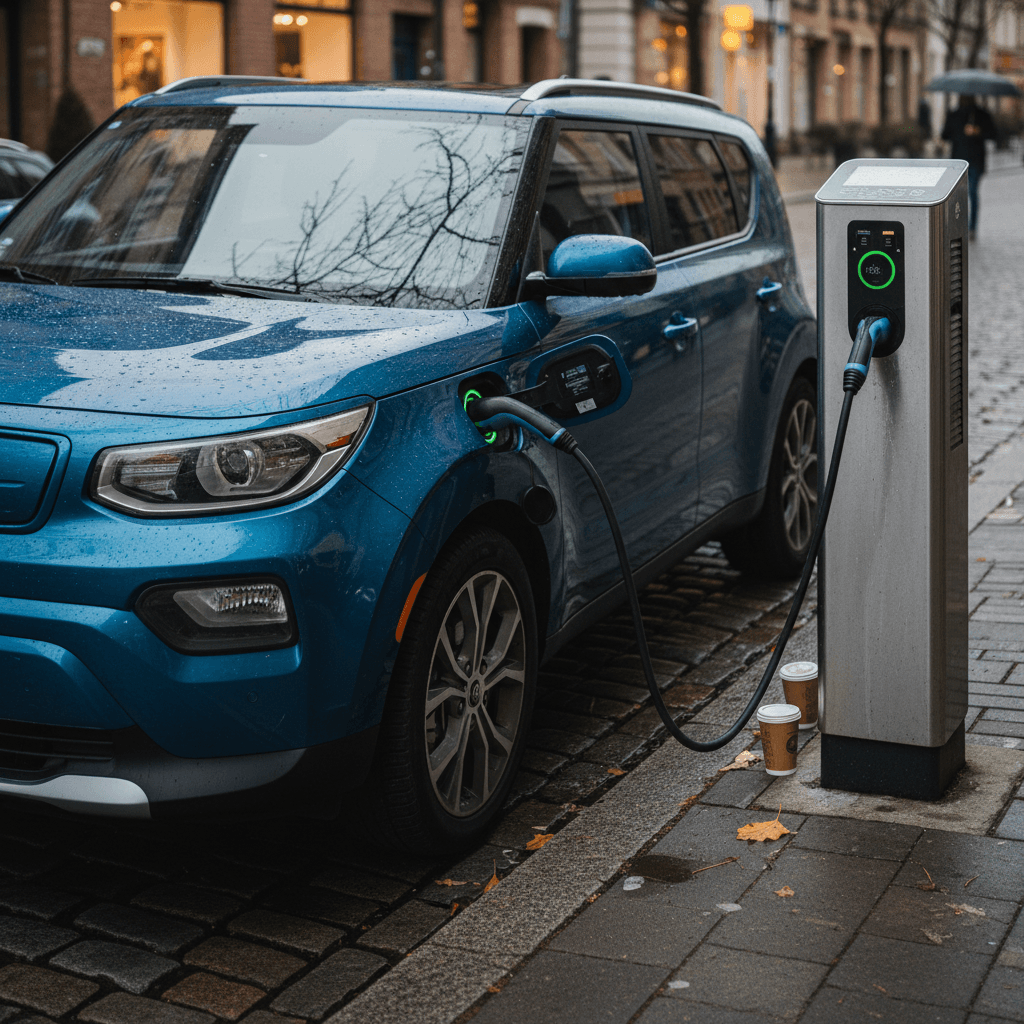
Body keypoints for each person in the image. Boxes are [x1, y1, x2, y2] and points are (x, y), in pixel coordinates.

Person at [941, 95, 997, 240]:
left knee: (971, 193)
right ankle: (961, 226)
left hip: (974, 161)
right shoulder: (954, 115)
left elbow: (993, 134)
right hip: (958, 162)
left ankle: (971, 227)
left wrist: (977, 131)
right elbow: (945, 135)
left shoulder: (982, 115)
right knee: (961, 195)